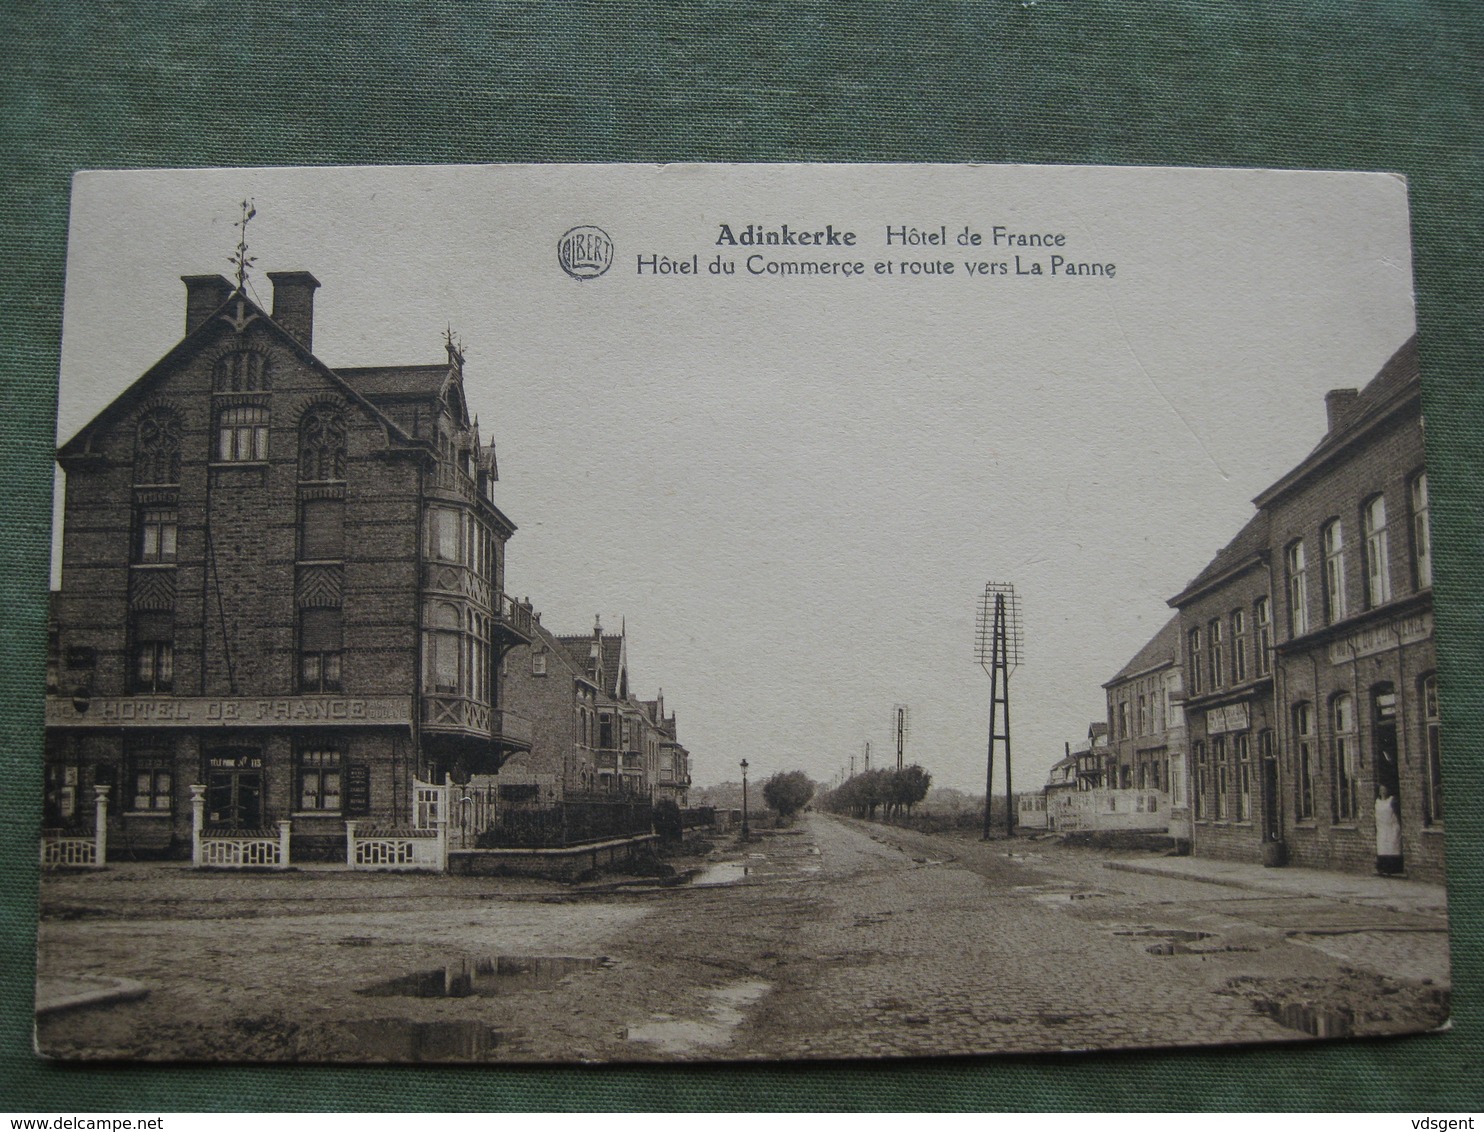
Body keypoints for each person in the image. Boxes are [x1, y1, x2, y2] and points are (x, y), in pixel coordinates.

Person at [1375, 784, 1403, 876]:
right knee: (1383, 847)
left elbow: (1397, 813)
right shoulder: (1377, 802)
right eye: (1381, 790)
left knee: (1392, 846)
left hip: (1392, 826)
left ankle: (1393, 868)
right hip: (1382, 827)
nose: (1383, 791)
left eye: (1385, 789)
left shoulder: (1392, 800)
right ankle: (1383, 868)